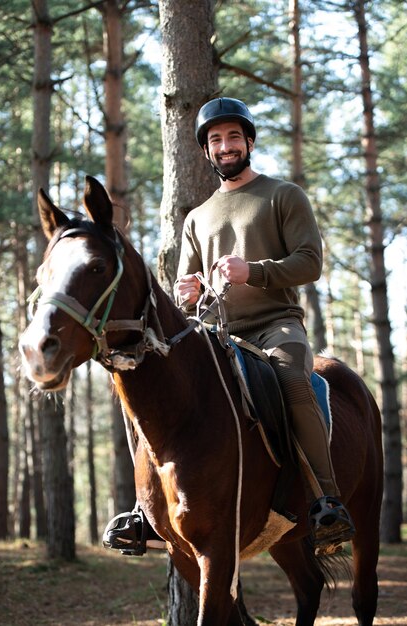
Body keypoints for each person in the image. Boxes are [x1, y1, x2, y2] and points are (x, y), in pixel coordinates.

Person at [174, 96, 355, 555]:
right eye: (216, 139)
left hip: (276, 326)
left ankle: (327, 503)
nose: (225, 145)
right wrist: (187, 294)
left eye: (234, 136)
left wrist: (252, 271)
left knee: (294, 378)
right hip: (217, 334)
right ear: (206, 151)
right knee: (159, 383)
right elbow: (184, 282)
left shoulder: (283, 195)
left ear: (249, 141)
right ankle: (143, 510)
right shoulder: (196, 218)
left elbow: (310, 263)